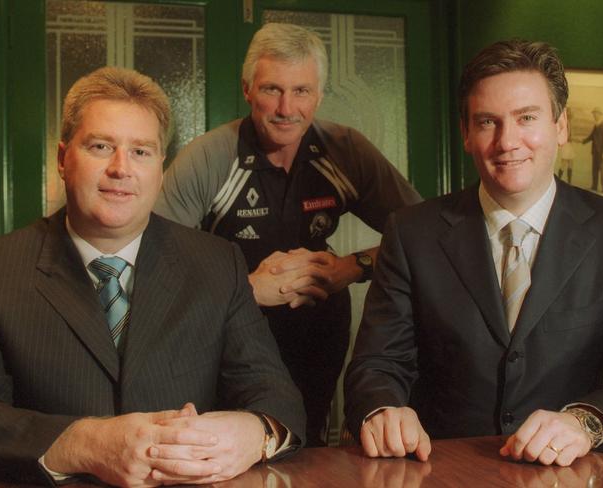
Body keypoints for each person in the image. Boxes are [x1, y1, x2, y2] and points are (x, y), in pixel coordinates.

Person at [0, 67, 305, 486]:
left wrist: (253, 433)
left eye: (141, 152)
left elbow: (277, 396)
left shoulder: (218, 264)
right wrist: (85, 444)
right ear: (62, 159)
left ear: (161, 170)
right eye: (100, 146)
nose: (121, 169)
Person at [344, 39, 603, 467]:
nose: (507, 141)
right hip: (439, 469)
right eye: (488, 122)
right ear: (466, 133)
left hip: (572, 472)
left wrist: (584, 423)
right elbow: (378, 363)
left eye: (526, 118)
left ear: (560, 126)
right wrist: (382, 410)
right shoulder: (412, 232)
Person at [155, 23, 421, 446]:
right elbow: (152, 262)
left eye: (301, 91)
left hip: (319, 333)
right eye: (271, 89)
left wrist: (351, 267)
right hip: (228, 339)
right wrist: (245, 291)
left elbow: (422, 235)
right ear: (246, 90)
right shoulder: (209, 157)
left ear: (319, 93)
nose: (286, 107)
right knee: (228, 449)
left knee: (306, 446)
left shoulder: (345, 150)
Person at [582, 107, 603, 192]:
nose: (594, 115)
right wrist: (583, 141)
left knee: (602, 171)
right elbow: (591, 136)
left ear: (600, 114)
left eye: (595, 114)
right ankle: (594, 186)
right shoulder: (596, 125)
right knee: (594, 170)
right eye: (593, 114)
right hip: (595, 152)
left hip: (602, 153)